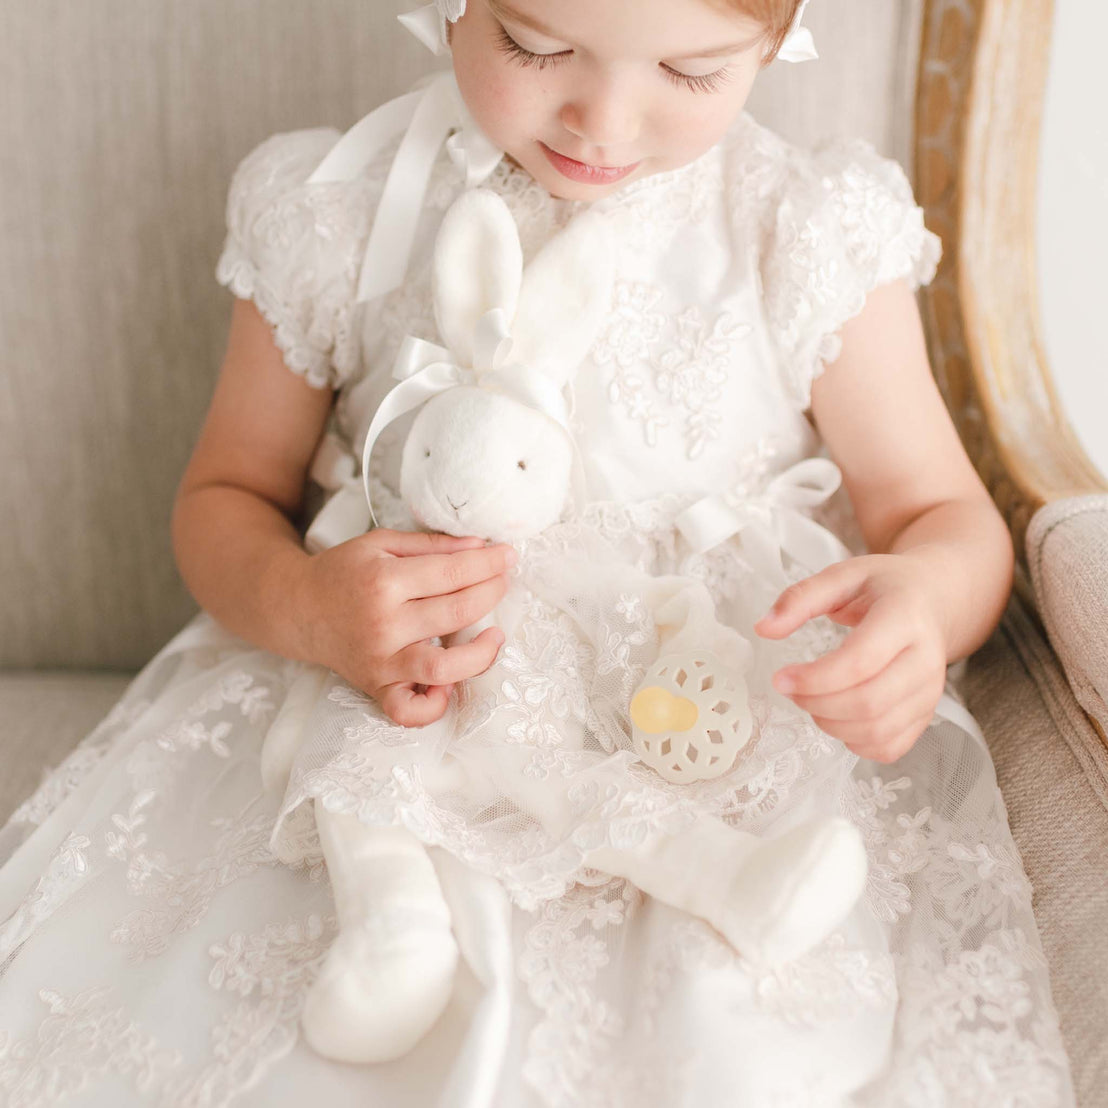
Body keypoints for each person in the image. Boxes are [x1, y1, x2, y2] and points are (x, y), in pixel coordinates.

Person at [0, 0, 1075, 1104]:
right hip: (405, 708)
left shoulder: (798, 226)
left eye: (692, 70)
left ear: (774, 42)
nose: (603, 118)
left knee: (728, 1027)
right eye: (535, 46)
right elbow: (223, 496)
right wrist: (307, 605)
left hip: (703, 725)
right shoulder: (338, 211)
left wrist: (925, 608)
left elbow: (939, 514)